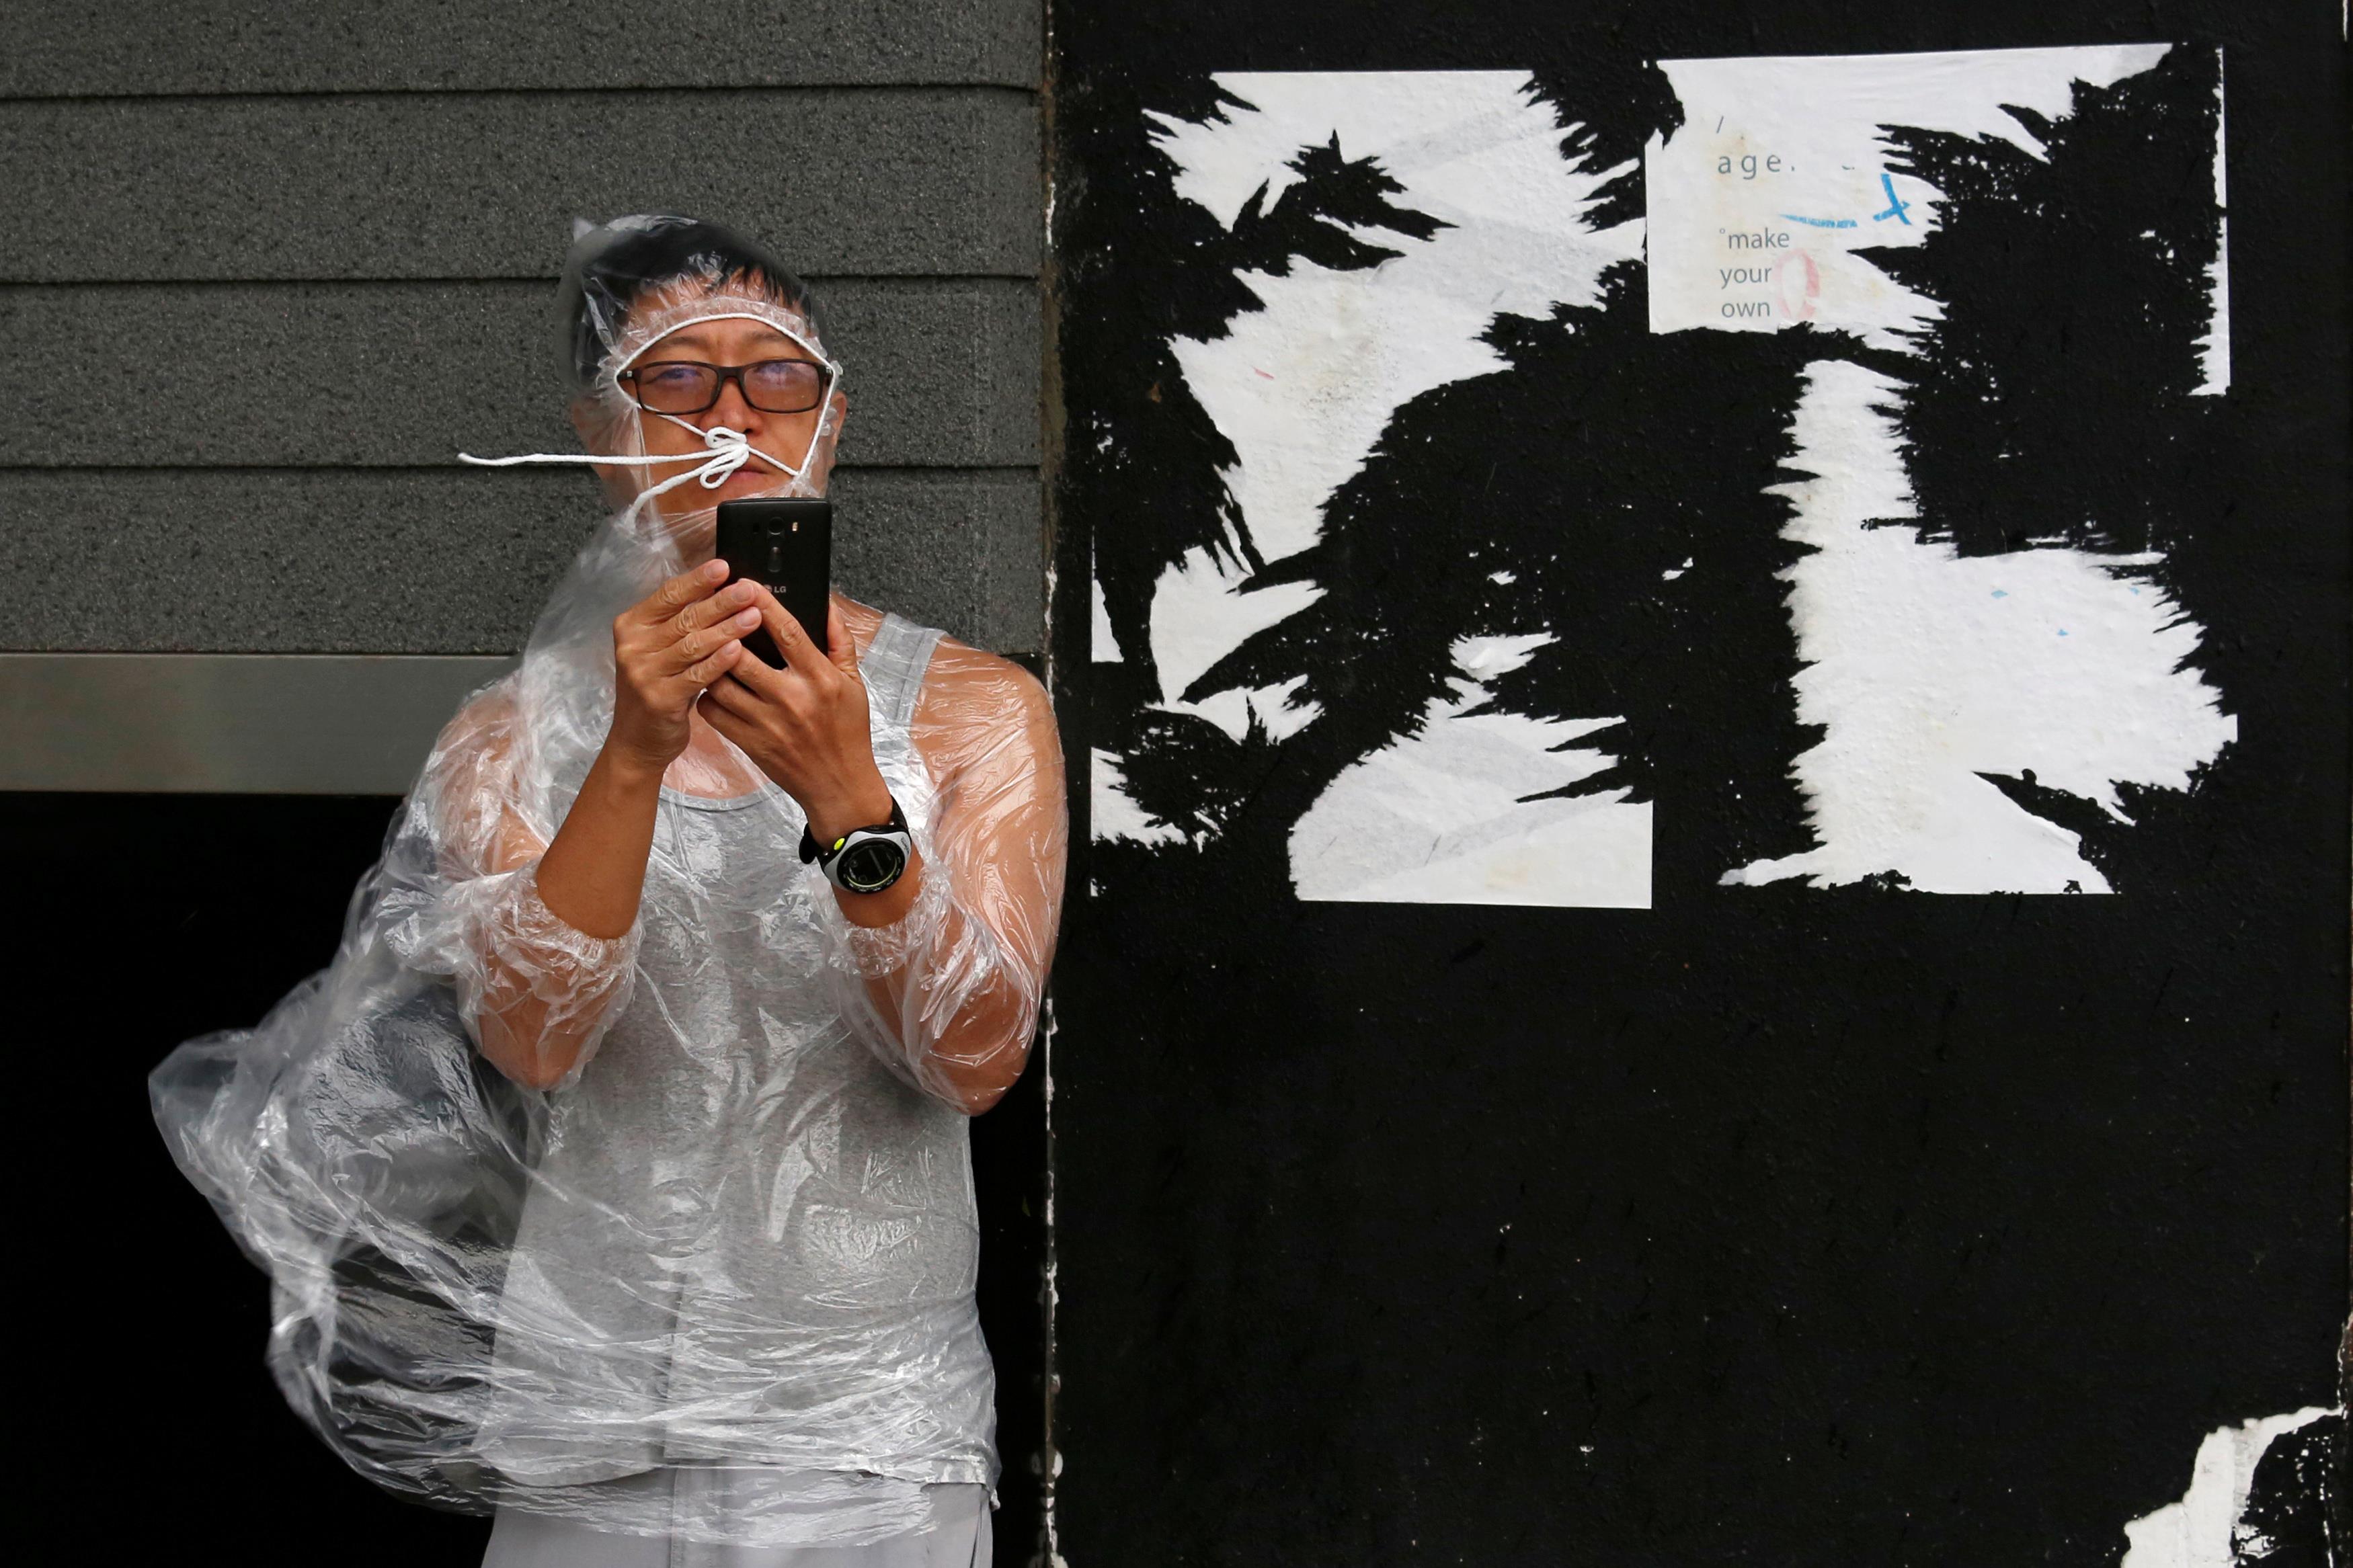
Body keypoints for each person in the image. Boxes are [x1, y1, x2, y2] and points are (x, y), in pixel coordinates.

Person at [149, 215, 1066, 1568]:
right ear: (602, 431)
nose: (731, 414)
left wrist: (848, 801)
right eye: (676, 379)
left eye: (775, 376)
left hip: (864, 1439)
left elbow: (975, 1059)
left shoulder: (975, 713)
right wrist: (631, 751)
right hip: (595, 1425)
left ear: (833, 422)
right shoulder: (514, 733)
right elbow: (535, 1038)